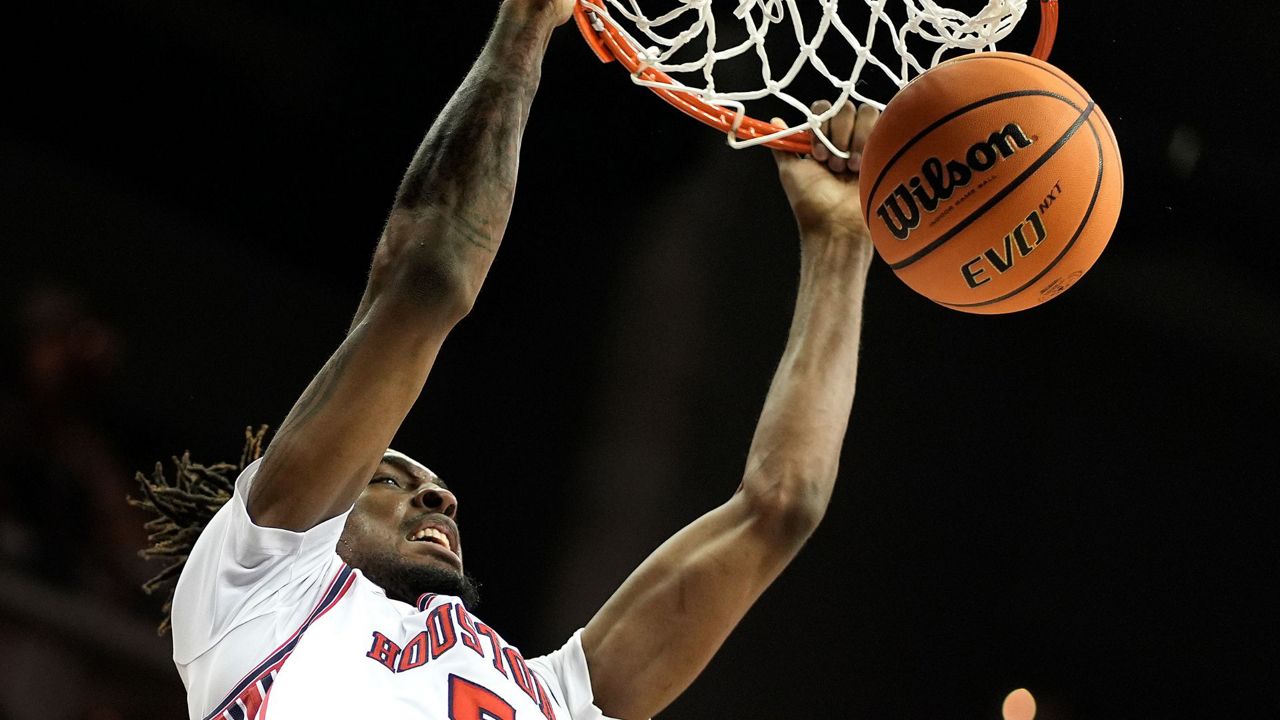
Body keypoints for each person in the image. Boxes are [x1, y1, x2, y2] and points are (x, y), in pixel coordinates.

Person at [133, 0, 881, 717]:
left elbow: (780, 507)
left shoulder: (551, 695)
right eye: (386, 478)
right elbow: (426, 283)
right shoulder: (254, 581)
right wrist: (524, 26)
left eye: (425, 482)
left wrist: (840, 246)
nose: (439, 498)